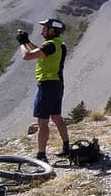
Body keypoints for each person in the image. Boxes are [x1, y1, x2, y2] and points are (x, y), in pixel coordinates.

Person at [17, 18, 71, 162]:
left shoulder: (50, 45)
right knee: (56, 117)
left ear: (53, 30)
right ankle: (66, 147)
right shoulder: (58, 44)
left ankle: (41, 155)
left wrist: (22, 44)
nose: (42, 31)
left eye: (44, 28)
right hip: (57, 84)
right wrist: (27, 42)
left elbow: (27, 56)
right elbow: (39, 52)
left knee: (42, 122)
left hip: (47, 85)